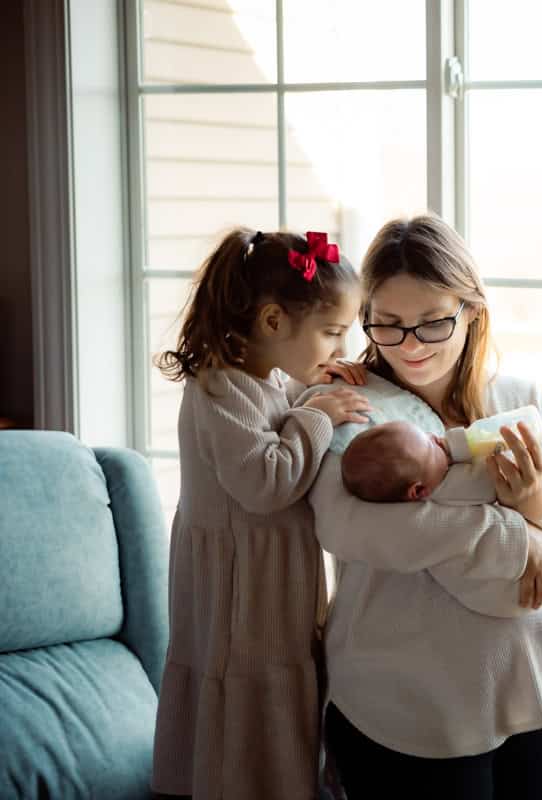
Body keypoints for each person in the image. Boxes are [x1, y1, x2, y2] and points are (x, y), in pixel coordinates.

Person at [308, 215, 542, 800]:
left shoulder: (520, 401)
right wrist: (519, 537)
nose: (411, 346)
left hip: (531, 689)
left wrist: (538, 503)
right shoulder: (344, 405)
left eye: (433, 323)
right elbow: (350, 527)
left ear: (471, 311)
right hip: (404, 703)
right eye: (389, 325)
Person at [150, 229, 371, 800]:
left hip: (270, 579)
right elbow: (265, 480)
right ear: (273, 322)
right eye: (331, 333)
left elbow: (278, 421)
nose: (339, 348)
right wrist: (318, 416)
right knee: (246, 702)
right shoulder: (219, 389)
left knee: (283, 688)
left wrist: (311, 396)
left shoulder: (269, 380)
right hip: (238, 596)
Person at [340, 418, 542, 642]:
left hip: (485, 593)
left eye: (428, 434)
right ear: (418, 490)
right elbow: (493, 469)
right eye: (431, 445)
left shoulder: (427, 494)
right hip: (506, 592)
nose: (437, 438)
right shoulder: (456, 486)